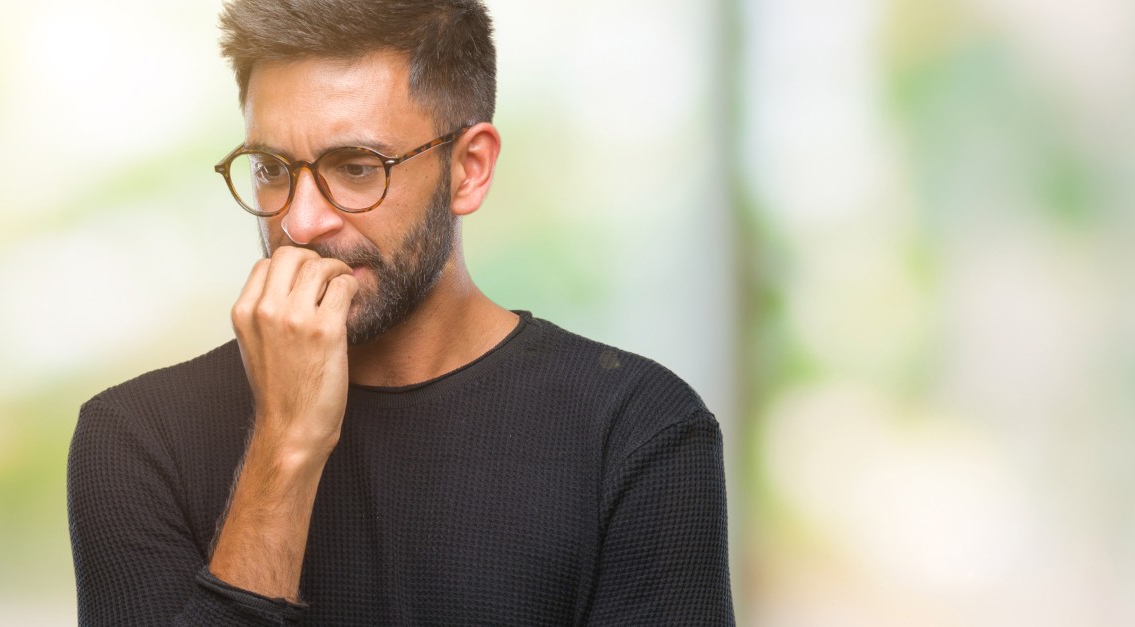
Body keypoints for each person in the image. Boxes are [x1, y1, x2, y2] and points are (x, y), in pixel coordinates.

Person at [67, 0, 734, 624]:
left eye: (356, 167)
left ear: (469, 169)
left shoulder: (636, 426)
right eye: (271, 167)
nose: (300, 221)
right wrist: (287, 445)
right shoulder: (134, 437)